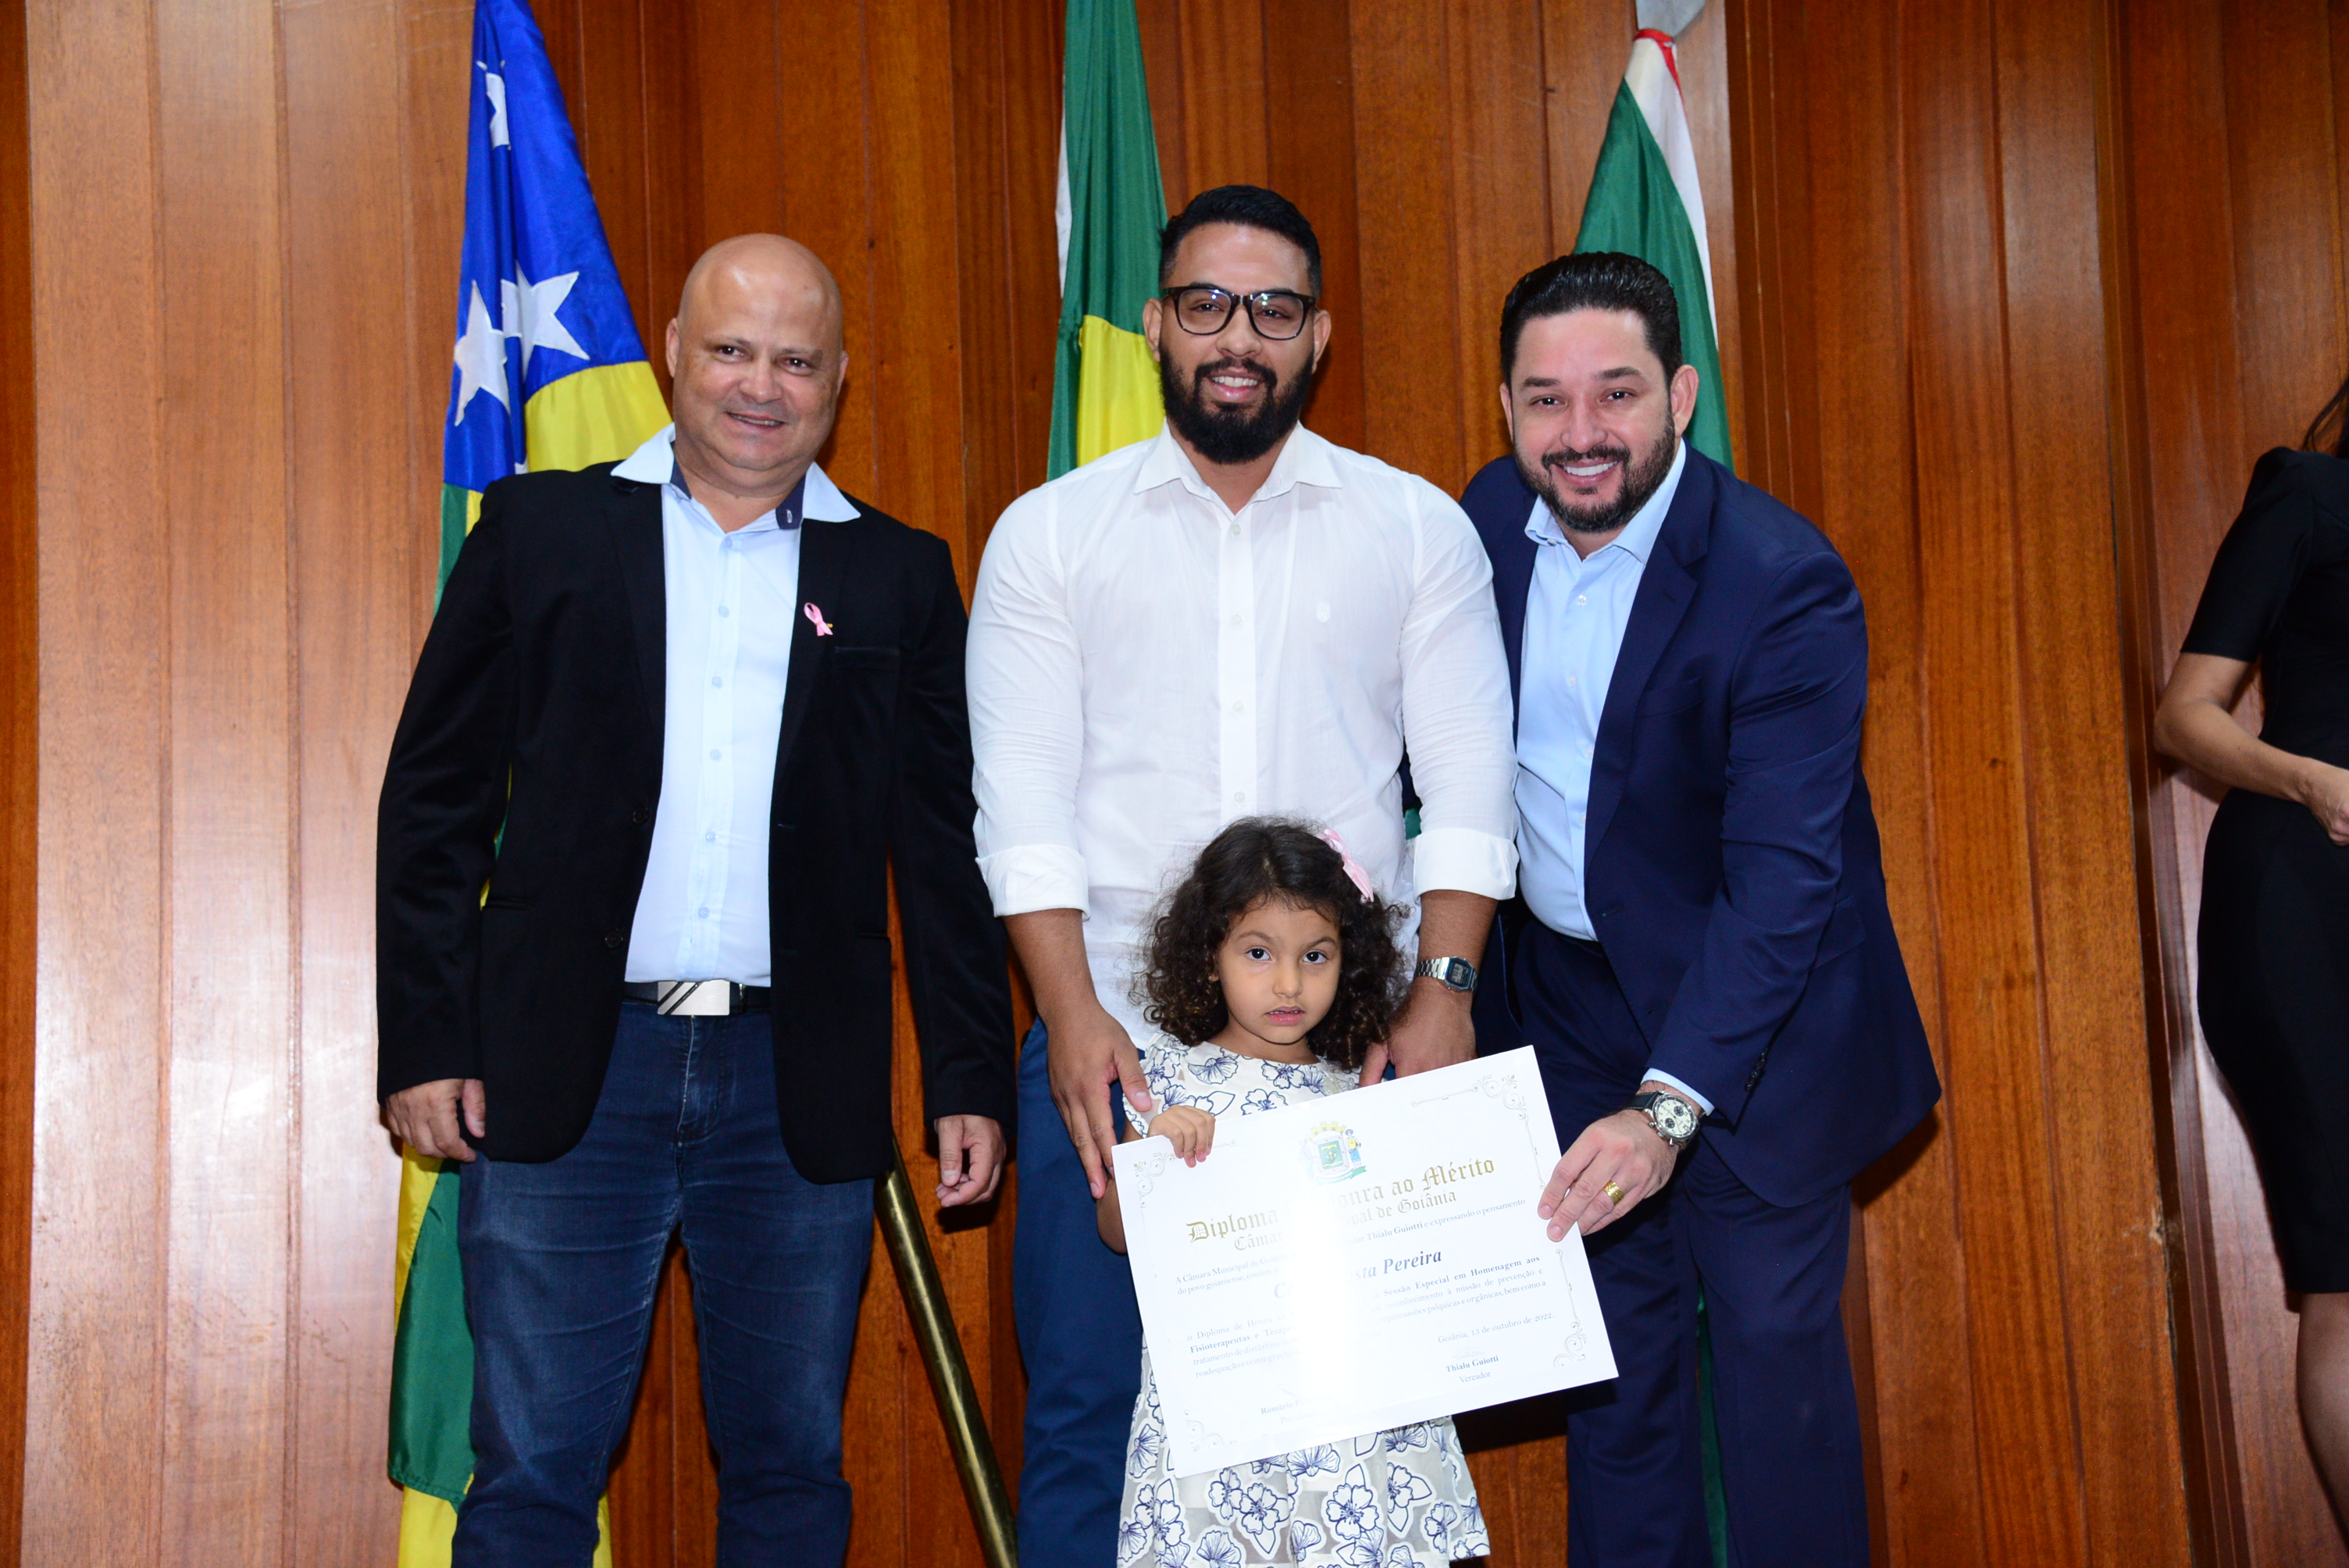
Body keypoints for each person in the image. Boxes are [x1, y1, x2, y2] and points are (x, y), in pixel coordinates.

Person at [376, 233, 1016, 1566]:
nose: (760, 387)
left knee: (789, 1471)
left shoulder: (897, 575)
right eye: (730, 349)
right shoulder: (539, 531)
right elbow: (433, 803)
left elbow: (943, 849)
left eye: (796, 360)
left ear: (838, 379)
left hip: (794, 1088)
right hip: (566, 1073)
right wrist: (427, 1040)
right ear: (673, 352)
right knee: (532, 1476)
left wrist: (968, 1073)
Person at [967, 184, 1518, 1568]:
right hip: (1111, 1045)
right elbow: (1020, 812)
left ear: (1317, 336)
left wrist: (1444, 994)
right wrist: (1071, 1019)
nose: (1237, 336)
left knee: (1350, 1418)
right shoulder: (1050, 535)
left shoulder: (1412, 529)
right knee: (1090, 1412)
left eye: (1273, 310)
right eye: (1206, 304)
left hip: (1343, 1054)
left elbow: (1468, 789)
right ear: (1156, 324)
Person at [1457, 252, 1940, 1568]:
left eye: (1615, 393)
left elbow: (1783, 883)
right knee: (1612, 1383)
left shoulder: (1780, 579)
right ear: (1505, 409)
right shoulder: (1477, 528)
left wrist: (1671, 1108)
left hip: (1760, 1027)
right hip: (1566, 1009)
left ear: (1678, 394)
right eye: (1546, 399)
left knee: (1776, 1378)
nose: (1581, 433)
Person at [1096, 818, 1491, 1568]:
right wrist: (1150, 1160)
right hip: (1224, 1406)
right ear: (1208, 957)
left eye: (1315, 955)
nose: (1288, 983)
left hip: (1357, 1409)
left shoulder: (1362, 1089)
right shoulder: (1167, 1080)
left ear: (1350, 958)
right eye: (1257, 953)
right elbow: (1116, 1234)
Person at [2153, 371, 2349, 1531]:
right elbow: (2185, 713)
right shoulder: (2311, 494)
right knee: (2348, 1272)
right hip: (2308, 906)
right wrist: (2313, 781)